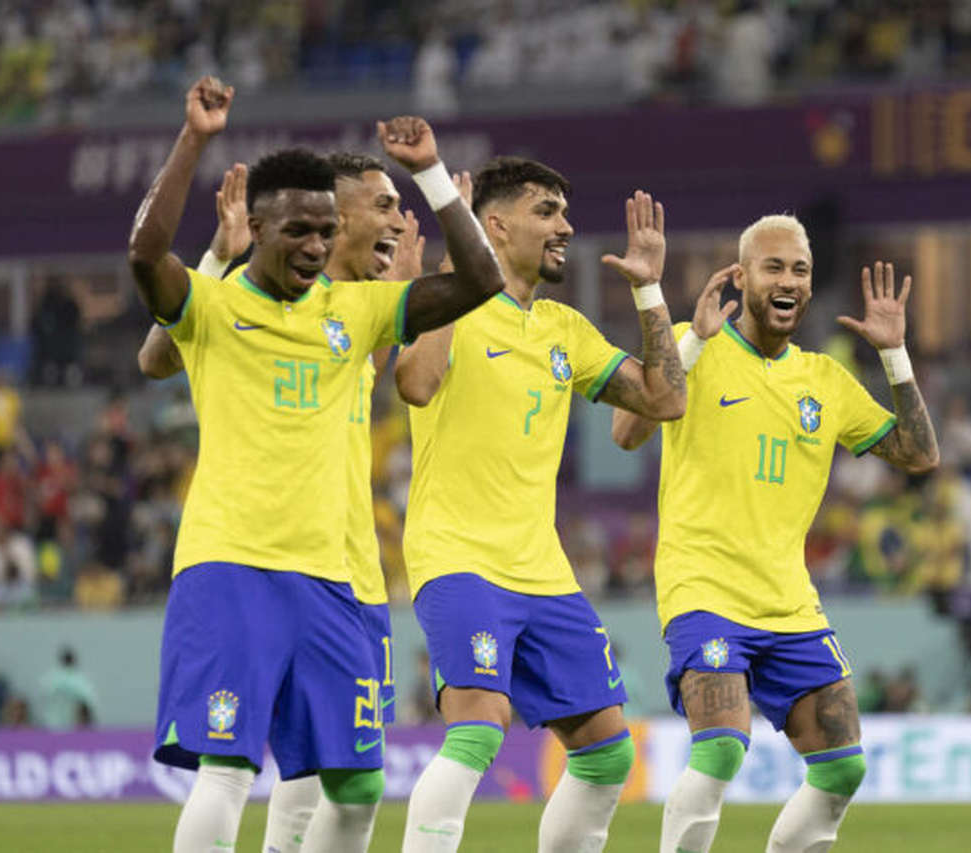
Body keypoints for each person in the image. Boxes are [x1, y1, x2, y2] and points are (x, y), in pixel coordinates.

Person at [127, 76, 504, 853]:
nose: (314, 244)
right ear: (257, 229)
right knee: (228, 767)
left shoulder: (354, 312)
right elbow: (145, 258)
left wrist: (433, 177)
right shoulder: (215, 305)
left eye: (323, 231)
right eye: (298, 229)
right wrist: (195, 139)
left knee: (358, 785)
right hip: (234, 564)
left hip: (337, 580)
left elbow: (480, 281)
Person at [612, 216, 939, 853]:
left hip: (788, 600)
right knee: (722, 749)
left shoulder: (825, 381)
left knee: (844, 765)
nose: (788, 280)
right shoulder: (693, 344)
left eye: (800, 270)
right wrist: (695, 345)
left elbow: (920, 455)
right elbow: (627, 431)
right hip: (703, 590)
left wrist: (894, 355)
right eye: (773, 267)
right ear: (741, 277)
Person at [394, 157, 687, 852]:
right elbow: (416, 382)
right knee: (477, 726)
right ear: (493, 224)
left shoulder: (564, 329)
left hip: (544, 571)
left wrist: (649, 292)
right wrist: (448, 278)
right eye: (547, 211)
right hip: (458, 554)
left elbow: (664, 400)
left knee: (609, 751)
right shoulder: (452, 307)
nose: (566, 225)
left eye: (563, 211)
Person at [38, 646, 98, 730]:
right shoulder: (80, 681)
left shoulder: (50, 679)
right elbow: (90, 701)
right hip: (58, 725)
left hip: (58, 726)